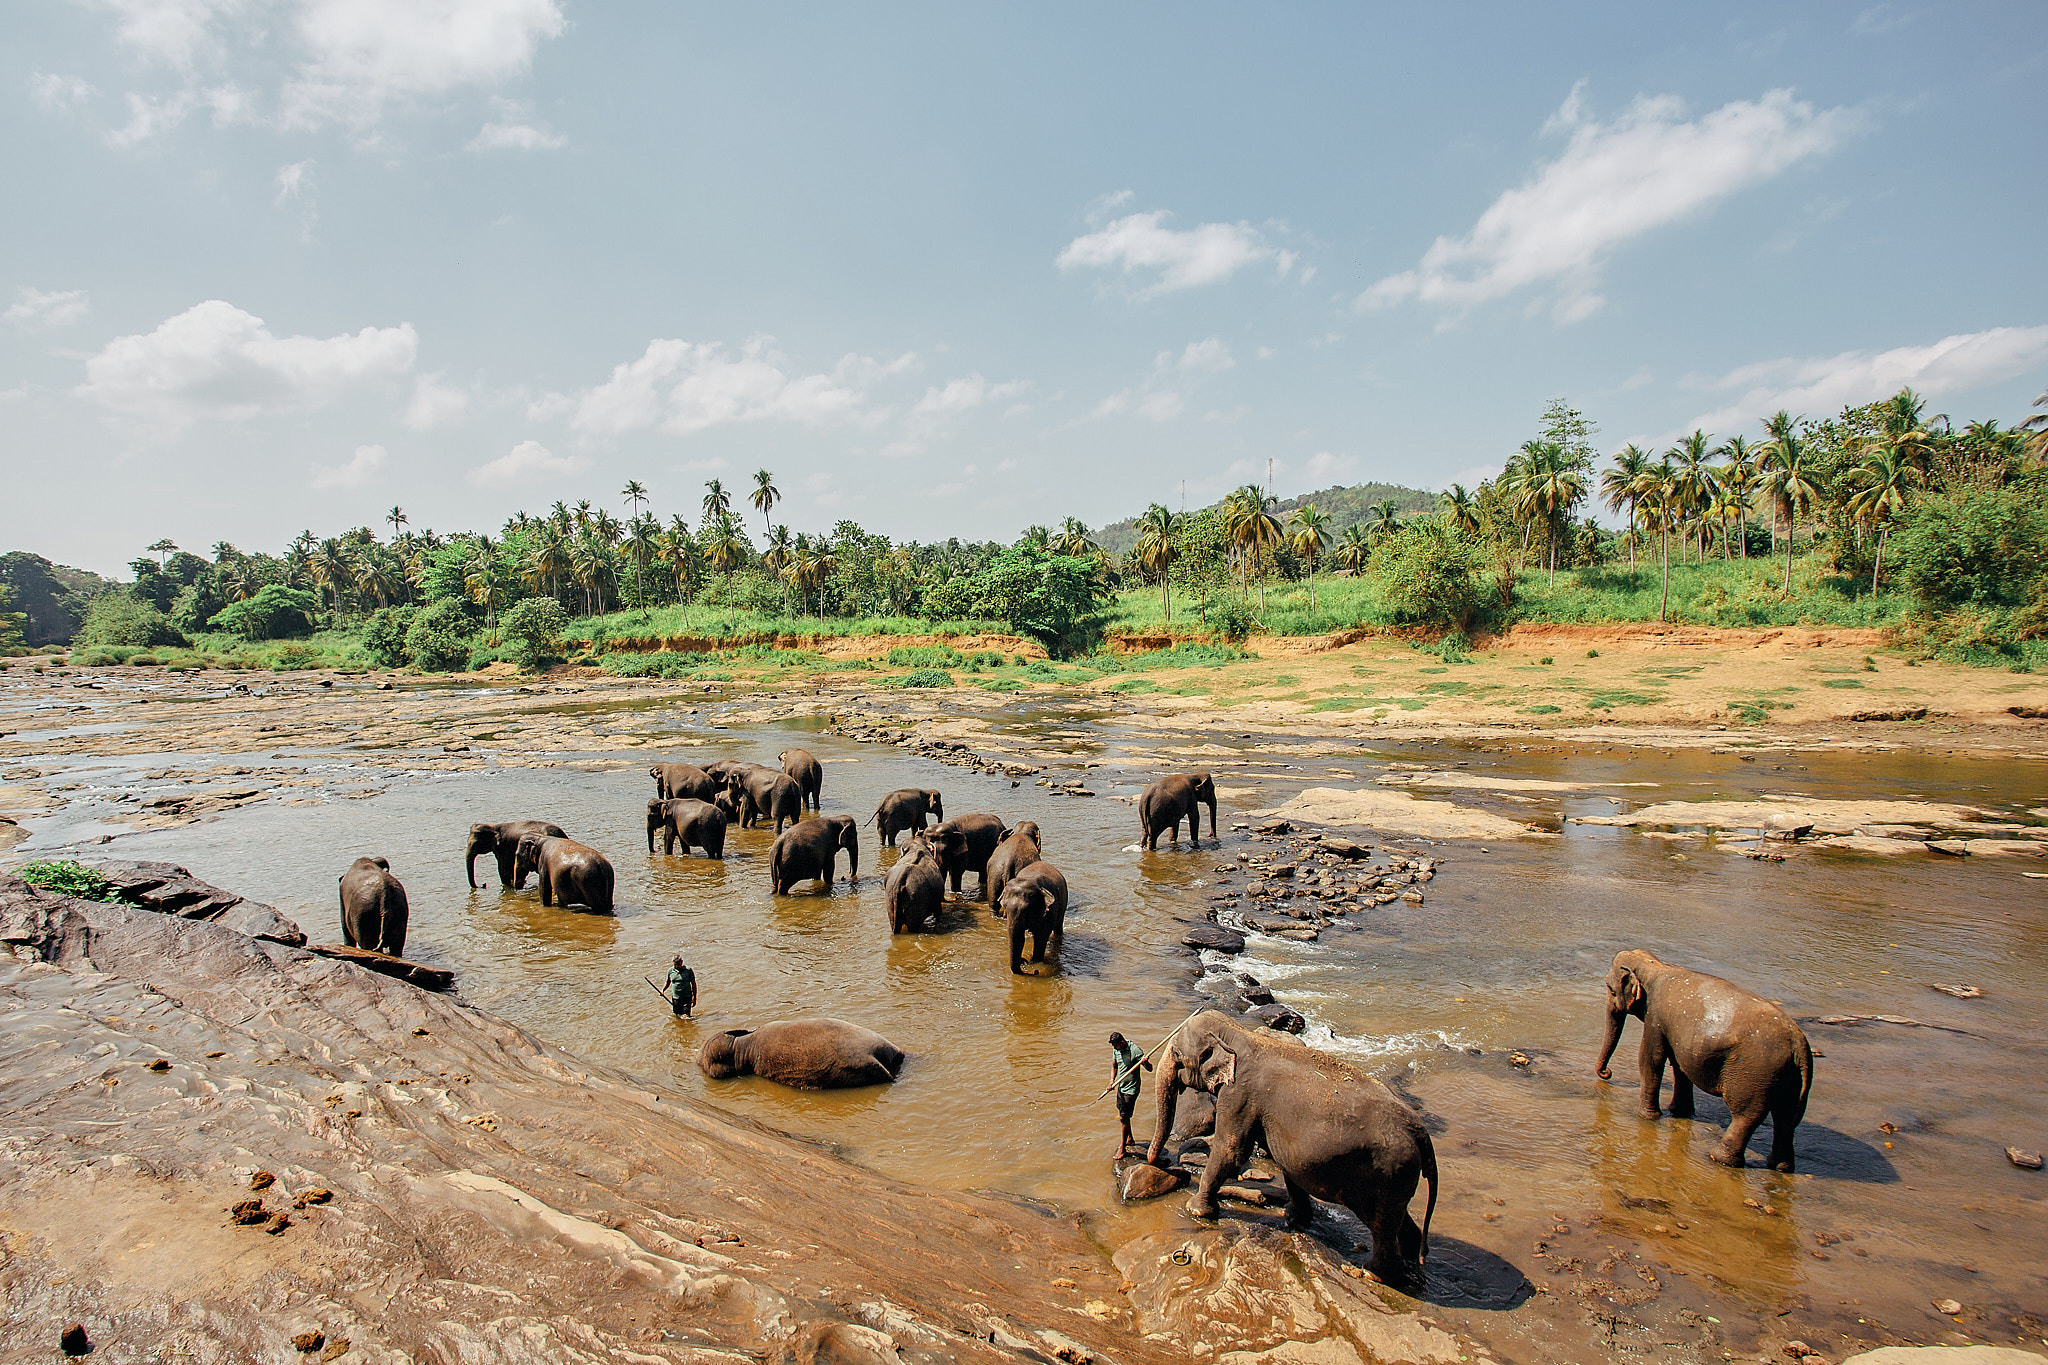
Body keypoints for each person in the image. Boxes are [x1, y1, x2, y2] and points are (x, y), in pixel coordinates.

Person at [1109, 1031, 1151, 1155]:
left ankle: (1122, 1148)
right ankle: (1130, 1139)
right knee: (1124, 1115)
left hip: (1131, 1090)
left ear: (1122, 1042)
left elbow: (1150, 1069)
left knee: (1123, 1118)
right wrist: (1111, 1081)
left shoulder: (1135, 1051)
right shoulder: (1116, 1050)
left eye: (1115, 1045)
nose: (1114, 1048)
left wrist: (1145, 1062)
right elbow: (1114, 1065)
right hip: (1120, 1087)